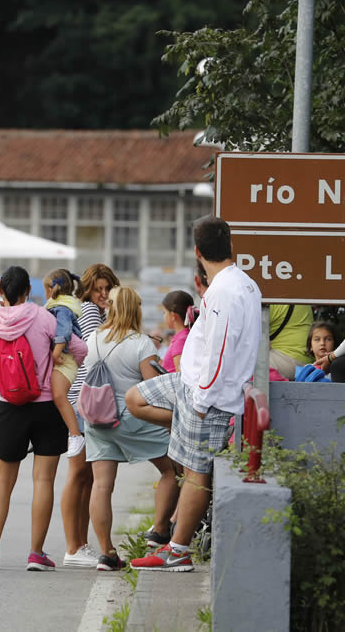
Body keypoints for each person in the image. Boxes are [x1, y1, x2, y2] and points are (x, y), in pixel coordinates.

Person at [127, 215, 261, 573]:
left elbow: (220, 351)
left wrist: (201, 401)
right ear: (230, 246)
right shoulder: (239, 283)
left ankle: (178, 550)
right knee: (135, 398)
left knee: (196, 472)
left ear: (197, 252)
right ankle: (175, 544)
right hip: (189, 384)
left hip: (210, 395)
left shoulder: (226, 290)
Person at [0, 266, 88, 571]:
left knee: (2, 481)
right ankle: (36, 554)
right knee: (43, 480)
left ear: (1, 291)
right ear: (28, 291)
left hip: (9, 405)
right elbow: (80, 348)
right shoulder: (44, 317)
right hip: (47, 405)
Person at [84, 287, 178, 571]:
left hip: (98, 417)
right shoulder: (141, 344)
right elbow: (152, 389)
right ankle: (159, 530)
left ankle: (107, 553)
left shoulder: (93, 338)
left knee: (102, 485)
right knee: (171, 471)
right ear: (135, 309)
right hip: (131, 417)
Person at [61, 263, 120, 567]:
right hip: (83, 399)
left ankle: (79, 545)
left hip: (83, 398)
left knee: (85, 476)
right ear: (87, 290)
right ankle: (73, 546)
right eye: (98, 289)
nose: (103, 294)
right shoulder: (89, 311)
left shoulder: (96, 311)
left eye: (108, 289)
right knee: (78, 474)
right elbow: (95, 354)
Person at [43, 268, 86, 458]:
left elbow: (64, 332)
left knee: (59, 395)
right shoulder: (60, 306)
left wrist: (55, 354)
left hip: (65, 360)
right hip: (63, 358)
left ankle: (76, 435)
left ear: (52, 289)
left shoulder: (61, 309)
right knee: (50, 397)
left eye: (45, 289)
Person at [268, 304, 315, 381]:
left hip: (287, 360)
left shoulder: (269, 300)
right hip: (307, 359)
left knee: (248, 363)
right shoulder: (299, 299)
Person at [159, 290, 195, 373]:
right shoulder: (183, 336)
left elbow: (180, 375)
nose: (163, 316)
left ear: (173, 316)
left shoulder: (180, 340)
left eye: (164, 312)